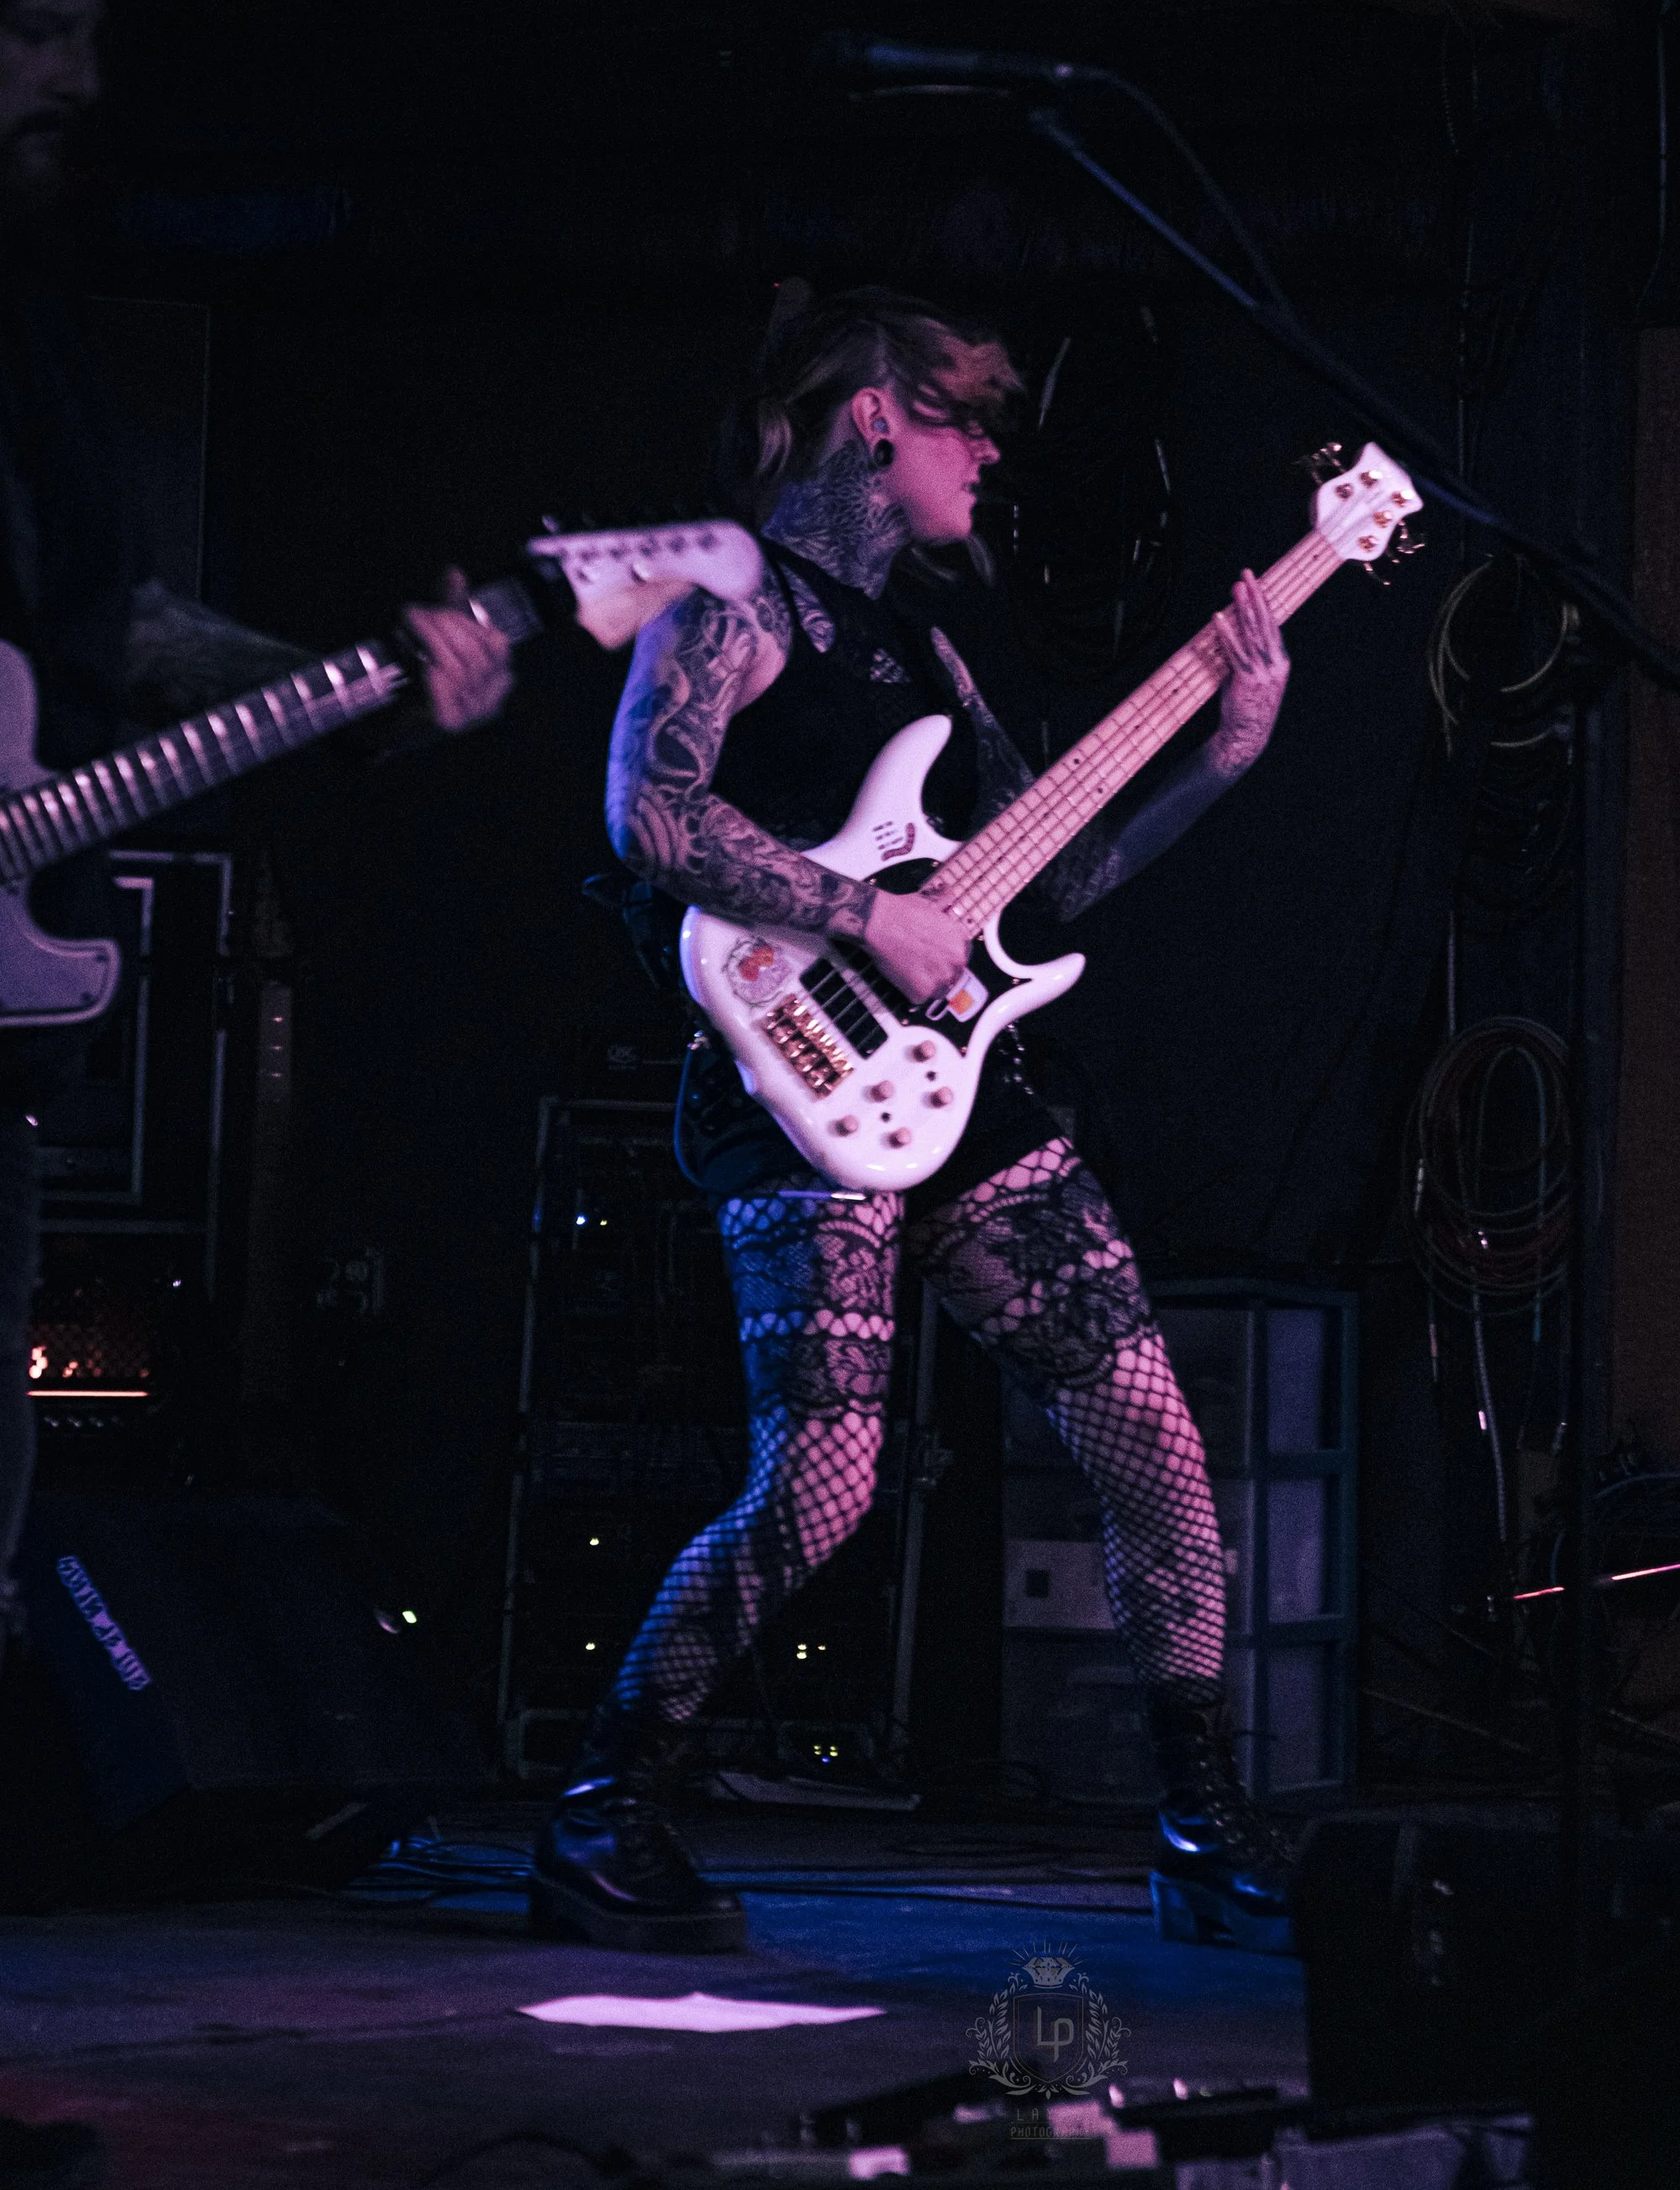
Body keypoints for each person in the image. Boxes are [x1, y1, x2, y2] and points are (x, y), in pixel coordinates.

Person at [531, 283, 1298, 1960]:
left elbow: (1059, 873)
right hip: (797, 1071)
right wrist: (864, 916)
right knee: (821, 1482)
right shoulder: (735, 600)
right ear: (876, 410)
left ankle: (1195, 1815)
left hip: (964, 1081)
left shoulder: (936, 648)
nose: (989, 454)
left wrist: (1224, 750)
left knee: (1155, 1442)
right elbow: (649, 811)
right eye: (966, 419)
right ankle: (600, 1806)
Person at [0, 0, 512, 1854]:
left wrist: (358, 687)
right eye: (33, 30)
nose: (76, 73)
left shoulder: (34, 330)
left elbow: (114, 631)